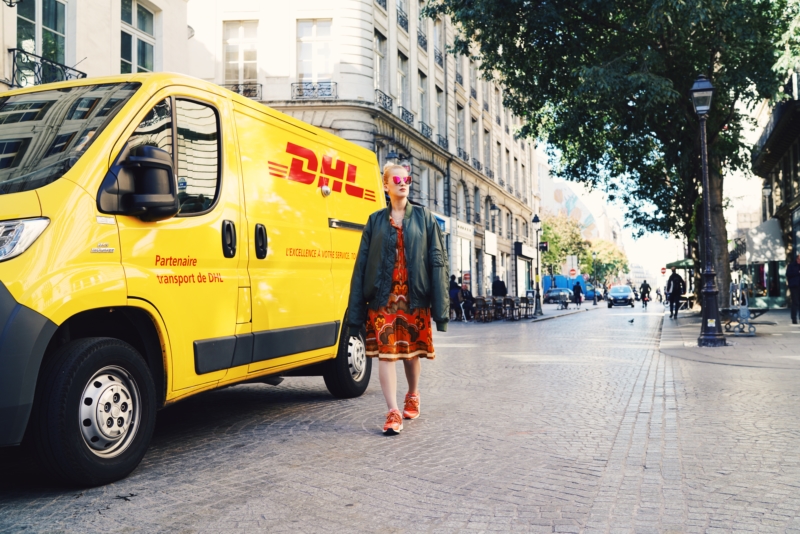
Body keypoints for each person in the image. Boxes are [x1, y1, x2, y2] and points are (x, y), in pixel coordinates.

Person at [347, 163, 449, 435]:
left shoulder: (425, 218)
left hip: (414, 298)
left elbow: (438, 261)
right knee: (386, 355)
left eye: (407, 179)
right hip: (383, 299)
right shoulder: (375, 220)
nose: (403, 183)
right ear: (386, 185)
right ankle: (392, 411)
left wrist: (441, 308)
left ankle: (413, 394)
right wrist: (355, 310)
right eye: (397, 179)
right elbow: (362, 265)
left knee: (411, 352)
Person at [786, 254, 800, 325]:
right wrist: (797, 272)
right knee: (795, 302)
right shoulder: (791, 265)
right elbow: (788, 274)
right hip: (794, 286)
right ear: (797, 259)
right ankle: (794, 318)